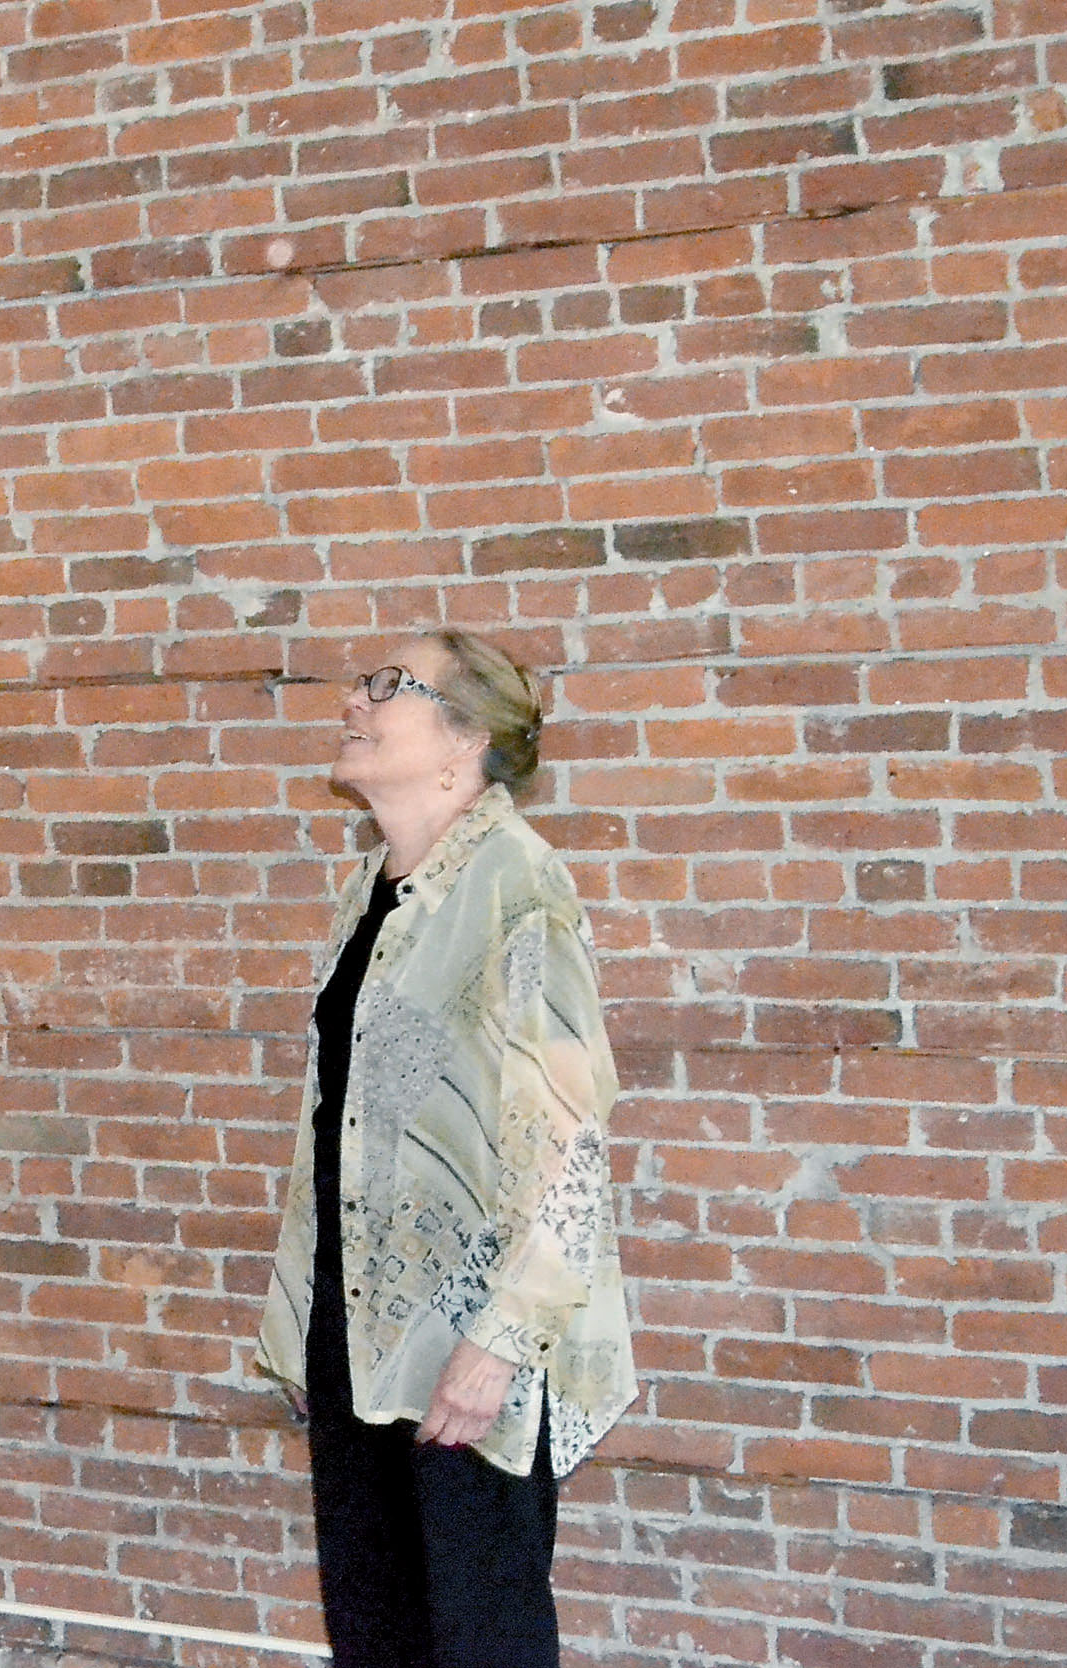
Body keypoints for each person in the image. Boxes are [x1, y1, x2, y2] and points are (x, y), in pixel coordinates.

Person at [256, 630, 637, 1668]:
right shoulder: (375, 889)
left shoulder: (518, 882)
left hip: (473, 1341)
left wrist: (499, 1344)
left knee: (478, 1635)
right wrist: (304, 1322)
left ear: (459, 740)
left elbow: (567, 1141)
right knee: (373, 1627)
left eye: (388, 687)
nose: (354, 700)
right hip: (360, 1327)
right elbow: (335, 1126)